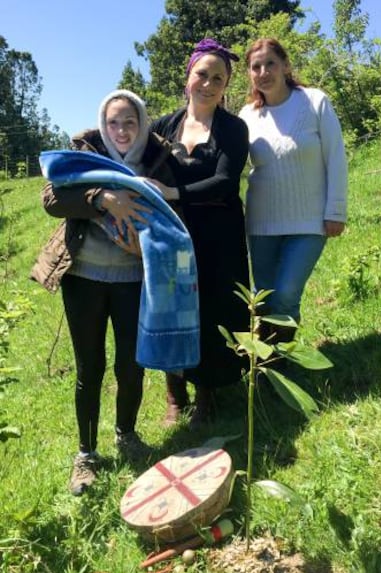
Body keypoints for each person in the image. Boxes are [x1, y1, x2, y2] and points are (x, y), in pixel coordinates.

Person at [31, 89, 175, 495]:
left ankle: (126, 435)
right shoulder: (83, 151)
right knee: (89, 367)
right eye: (115, 122)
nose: (123, 130)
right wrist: (103, 199)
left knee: (132, 364)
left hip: (133, 276)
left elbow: (174, 206)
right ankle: (86, 454)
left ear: (142, 122)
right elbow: (52, 198)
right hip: (84, 277)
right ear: (103, 124)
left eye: (130, 121)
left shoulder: (158, 157)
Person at [149, 38, 250, 428]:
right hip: (173, 236)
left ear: (226, 86)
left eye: (218, 78)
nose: (208, 84)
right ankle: (175, 394)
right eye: (202, 75)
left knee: (212, 310)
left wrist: (173, 192)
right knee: (170, 310)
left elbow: (225, 182)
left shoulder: (233, 128)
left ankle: (208, 392)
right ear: (188, 76)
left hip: (218, 237)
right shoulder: (162, 127)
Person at [239, 38, 347, 345]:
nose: (263, 72)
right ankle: (264, 365)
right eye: (255, 67)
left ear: (286, 66)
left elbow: (336, 158)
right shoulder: (247, 116)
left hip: (309, 221)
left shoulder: (314, 102)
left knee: (286, 294)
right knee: (262, 297)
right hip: (261, 223)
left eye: (270, 63)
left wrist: (335, 210)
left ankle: (281, 358)